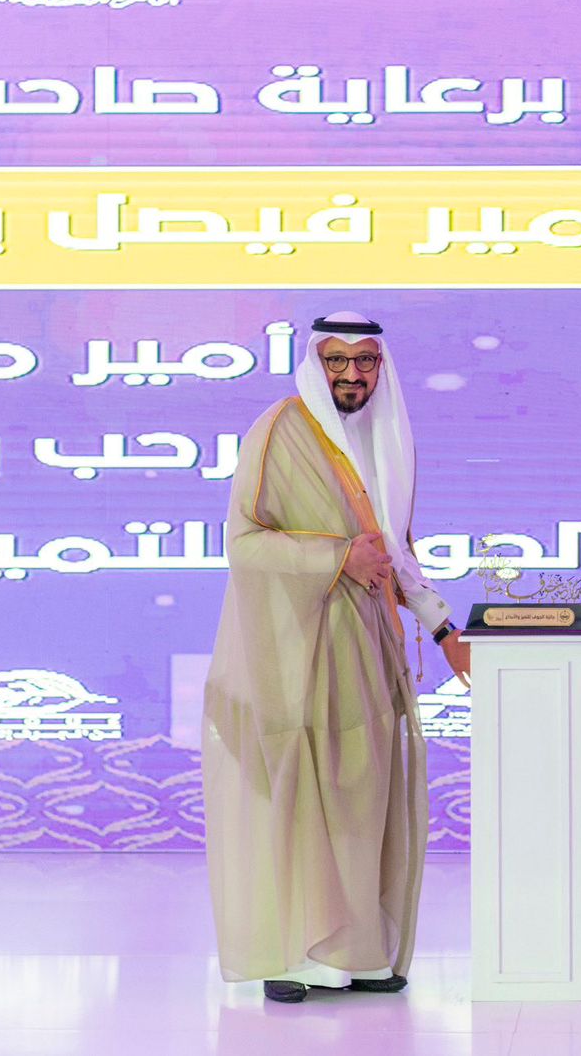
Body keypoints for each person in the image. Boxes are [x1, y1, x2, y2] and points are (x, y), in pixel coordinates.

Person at [201, 310, 471, 1003]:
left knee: (362, 796)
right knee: (300, 798)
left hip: (367, 648)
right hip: (294, 652)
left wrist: (444, 628)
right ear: (315, 365)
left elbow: (394, 552)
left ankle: (358, 952)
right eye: (336, 361)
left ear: (381, 367)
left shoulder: (386, 439)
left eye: (365, 361)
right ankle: (294, 957)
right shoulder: (280, 429)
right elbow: (244, 543)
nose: (351, 374)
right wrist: (336, 558)